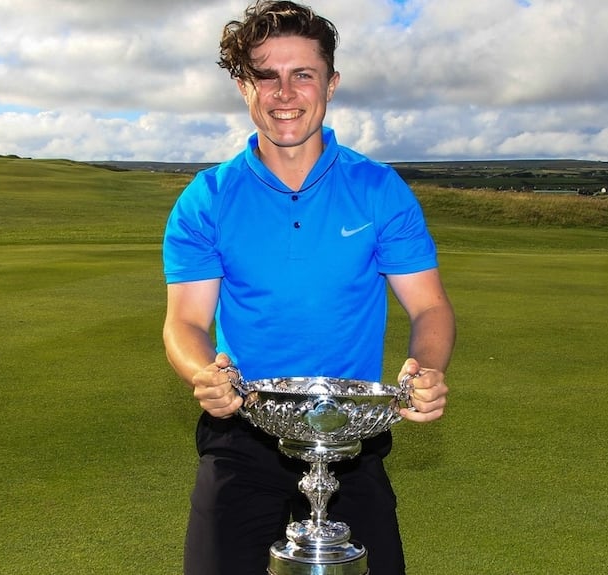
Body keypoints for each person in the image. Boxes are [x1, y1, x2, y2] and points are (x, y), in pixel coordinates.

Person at [161, 1, 456, 573]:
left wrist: (425, 367)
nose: (284, 92)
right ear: (245, 87)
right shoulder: (208, 196)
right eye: (265, 75)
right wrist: (204, 373)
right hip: (242, 433)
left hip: (349, 439)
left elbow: (431, 306)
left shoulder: (378, 189)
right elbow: (186, 322)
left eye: (303, 74)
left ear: (331, 83)